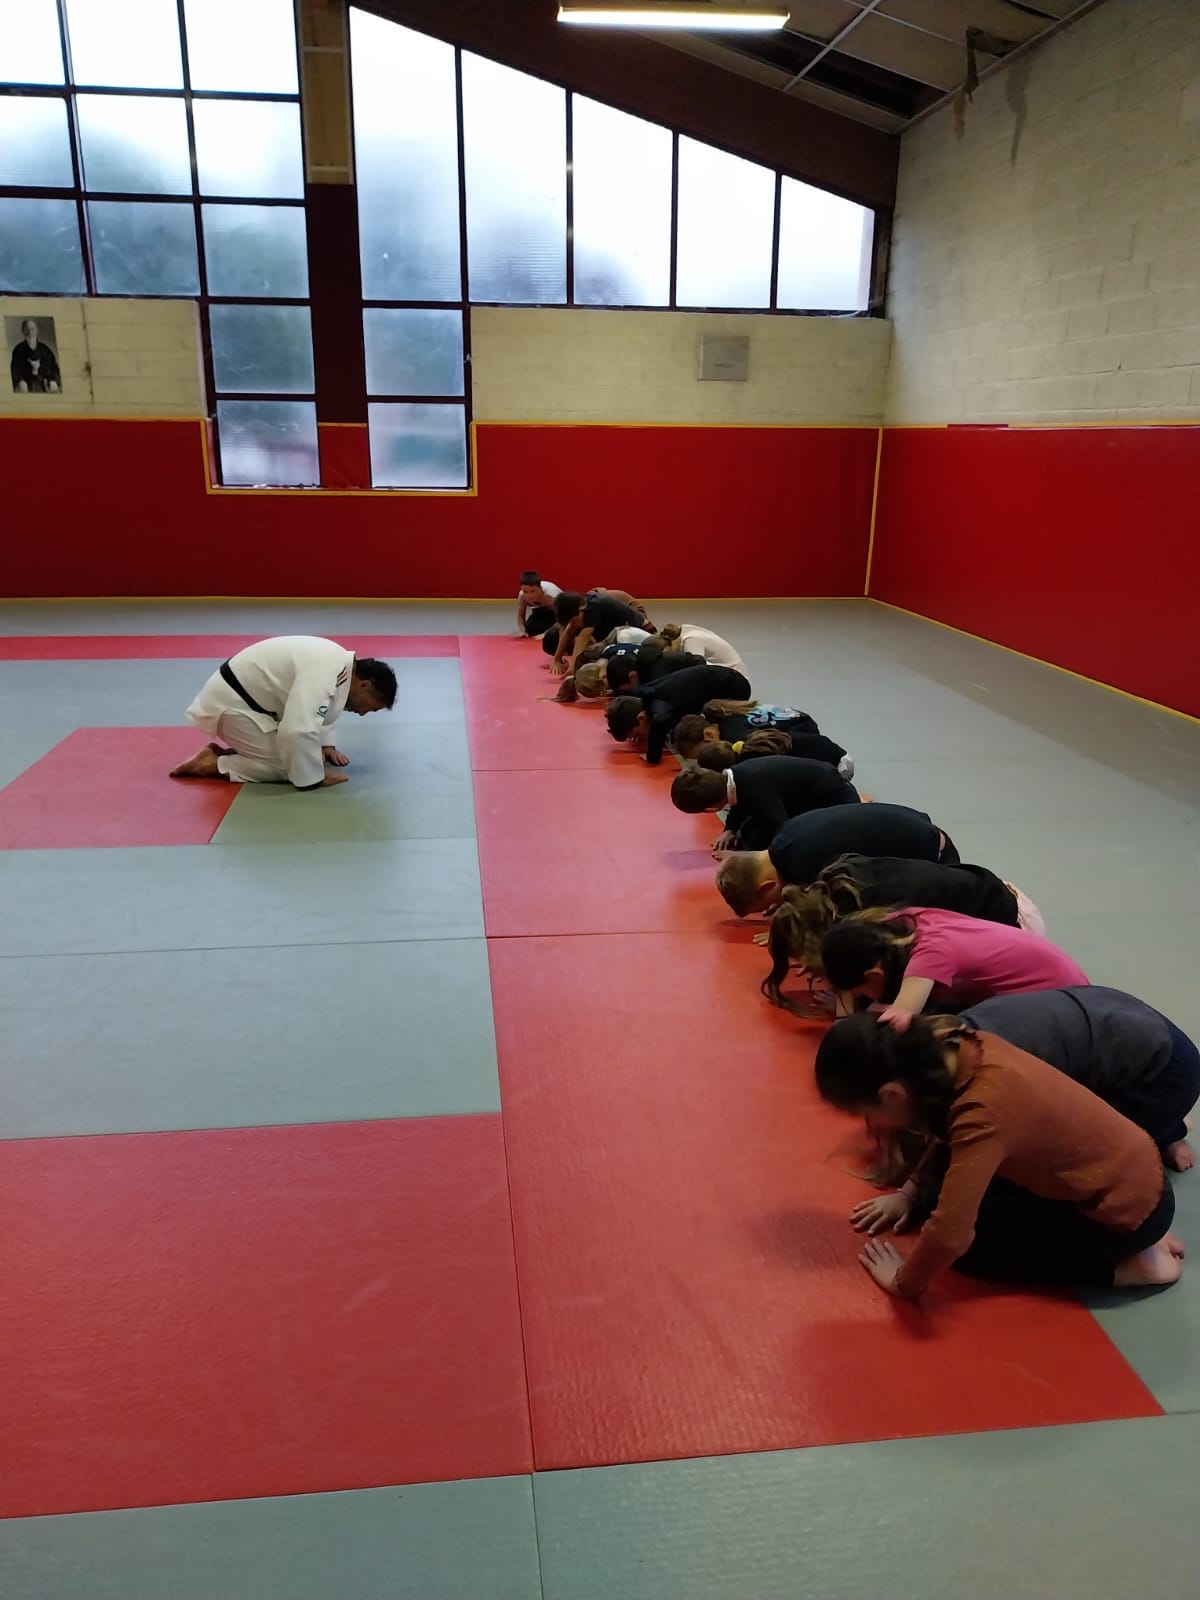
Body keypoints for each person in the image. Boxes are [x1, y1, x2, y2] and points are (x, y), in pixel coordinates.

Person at [814, 1012, 1183, 1295]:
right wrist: (908, 1193)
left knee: (970, 1251)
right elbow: (946, 1137)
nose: (871, 1124)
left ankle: (1132, 1266)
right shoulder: (958, 1046)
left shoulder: (981, 1113)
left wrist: (903, 1282)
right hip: (1131, 1176)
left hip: (1124, 1209)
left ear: (891, 1095)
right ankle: (1140, 1233)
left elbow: (949, 1237)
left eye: (866, 1113)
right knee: (935, 1200)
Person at [761, 854, 1046, 1011]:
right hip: (998, 898)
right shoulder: (840, 888)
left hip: (1014, 925)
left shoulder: (878, 920)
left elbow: (898, 999)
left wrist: (847, 1007)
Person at [960, 988, 1197, 1171]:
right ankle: (1166, 1128)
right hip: (1116, 1017)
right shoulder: (957, 1028)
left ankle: (1168, 1129)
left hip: (1166, 1072)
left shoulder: (1000, 1072)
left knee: (1086, 1157)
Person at [170, 635, 397, 789]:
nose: (363, 713)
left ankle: (245, 752)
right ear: (365, 685)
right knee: (290, 766)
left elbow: (320, 703)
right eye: (371, 707)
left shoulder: (338, 665)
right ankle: (214, 764)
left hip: (247, 704)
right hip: (233, 706)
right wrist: (314, 778)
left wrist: (326, 745)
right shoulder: (329, 669)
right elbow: (297, 730)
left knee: (304, 756)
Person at [820, 907, 1088, 1022]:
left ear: (874, 975)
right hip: (1065, 985)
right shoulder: (902, 924)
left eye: (861, 992)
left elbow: (897, 1021)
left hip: (1065, 1004)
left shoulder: (930, 955)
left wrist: (849, 1021)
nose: (864, 998)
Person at [716, 803, 960, 918]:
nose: (772, 906)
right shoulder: (784, 836)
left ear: (766, 886)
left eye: (766, 903)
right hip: (917, 825)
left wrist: (788, 932)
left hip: (935, 857)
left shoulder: (803, 865)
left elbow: (831, 915)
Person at [671, 755, 859, 851]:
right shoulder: (737, 775)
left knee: (759, 844)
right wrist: (730, 829)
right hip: (805, 793)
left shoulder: (756, 792)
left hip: (835, 801)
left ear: (709, 809)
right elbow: (737, 801)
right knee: (747, 834)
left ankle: (861, 804)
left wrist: (752, 860)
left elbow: (783, 830)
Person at [606, 662, 752, 766]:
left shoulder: (658, 704)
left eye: (637, 734)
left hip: (732, 687)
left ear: (641, 718)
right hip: (722, 681)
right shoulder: (646, 695)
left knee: (723, 730)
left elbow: (660, 721)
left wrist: (653, 757)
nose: (640, 738)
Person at [674, 703, 848, 773]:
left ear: (709, 735)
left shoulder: (735, 737)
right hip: (798, 722)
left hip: (802, 735)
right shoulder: (725, 721)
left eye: (703, 753)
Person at [548, 588, 654, 674]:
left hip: (643, 634)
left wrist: (572, 668)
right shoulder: (582, 607)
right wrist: (557, 659)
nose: (574, 625)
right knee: (590, 655)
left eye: (574, 621)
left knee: (603, 662)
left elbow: (582, 638)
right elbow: (568, 631)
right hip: (621, 633)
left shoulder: (594, 606)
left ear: (581, 610)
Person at [646, 622, 746, 674]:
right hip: (729, 673)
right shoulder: (686, 632)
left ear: (669, 644)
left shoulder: (691, 640)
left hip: (735, 678)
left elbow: (696, 670)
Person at [606, 644, 706, 694]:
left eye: (626, 691)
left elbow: (659, 696)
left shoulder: (655, 671)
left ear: (632, 676)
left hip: (701, 674)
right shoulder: (641, 666)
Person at [11, 318, 61, 393]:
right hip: (26, 384)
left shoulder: (44, 349)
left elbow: (53, 366)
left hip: (44, 384)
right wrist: (19, 381)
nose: (30, 332)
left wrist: (53, 380)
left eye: (32, 329)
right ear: (23, 331)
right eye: (27, 329)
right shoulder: (18, 349)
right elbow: (15, 369)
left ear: (37, 330)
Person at [515, 572, 562, 639]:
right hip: (540, 609)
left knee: (554, 634)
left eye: (533, 591)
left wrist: (546, 634)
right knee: (530, 630)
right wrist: (523, 631)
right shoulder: (522, 595)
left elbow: (562, 619)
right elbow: (520, 615)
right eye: (525, 592)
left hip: (560, 612)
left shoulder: (552, 596)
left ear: (540, 588)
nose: (529, 596)